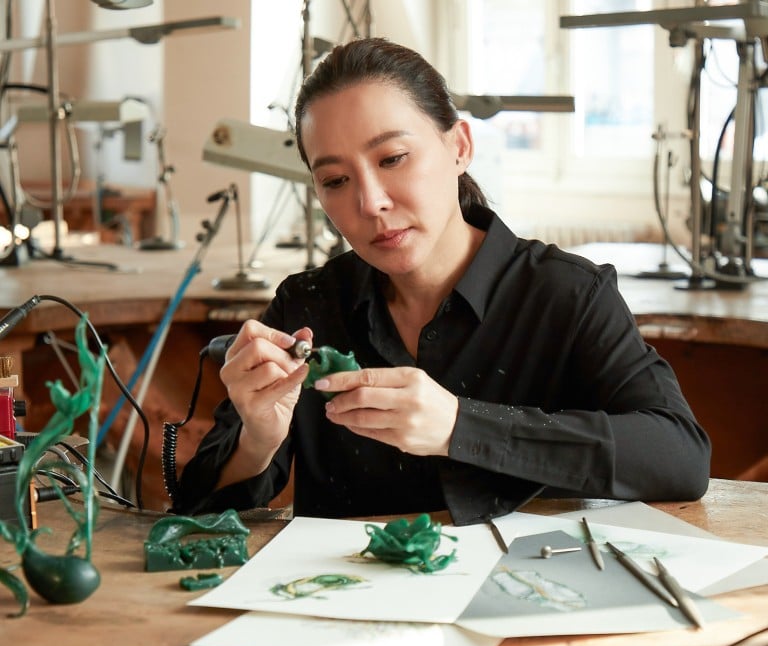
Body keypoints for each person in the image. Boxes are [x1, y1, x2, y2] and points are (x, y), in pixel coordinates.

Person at [175, 37, 710, 525]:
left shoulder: (567, 295)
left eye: (394, 158)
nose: (370, 203)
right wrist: (257, 437)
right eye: (335, 180)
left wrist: (461, 427)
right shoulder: (307, 306)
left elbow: (679, 457)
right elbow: (197, 515)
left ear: (459, 147)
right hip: (341, 609)